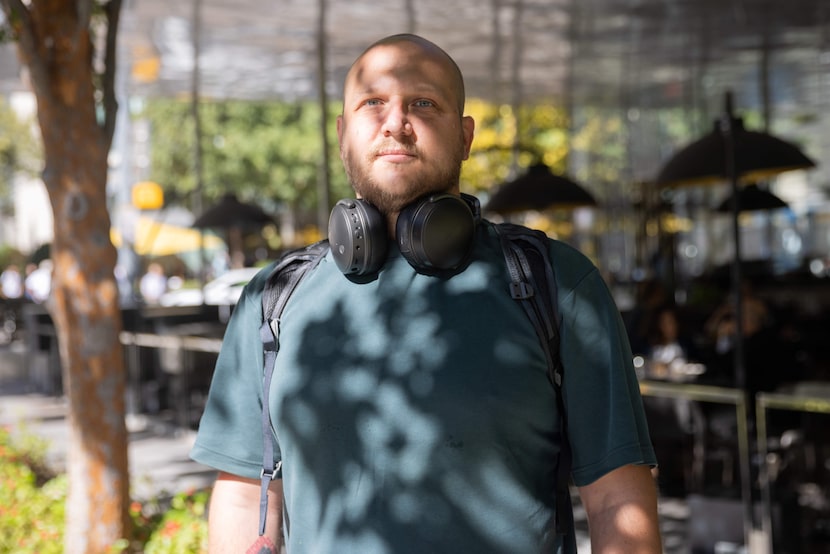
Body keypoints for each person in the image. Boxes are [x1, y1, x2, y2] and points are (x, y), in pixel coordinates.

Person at [191, 34, 661, 553]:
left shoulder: (556, 283)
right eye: (373, 103)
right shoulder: (273, 297)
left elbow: (618, 501)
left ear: (465, 137)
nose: (395, 123)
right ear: (343, 134)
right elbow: (243, 496)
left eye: (423, 103)